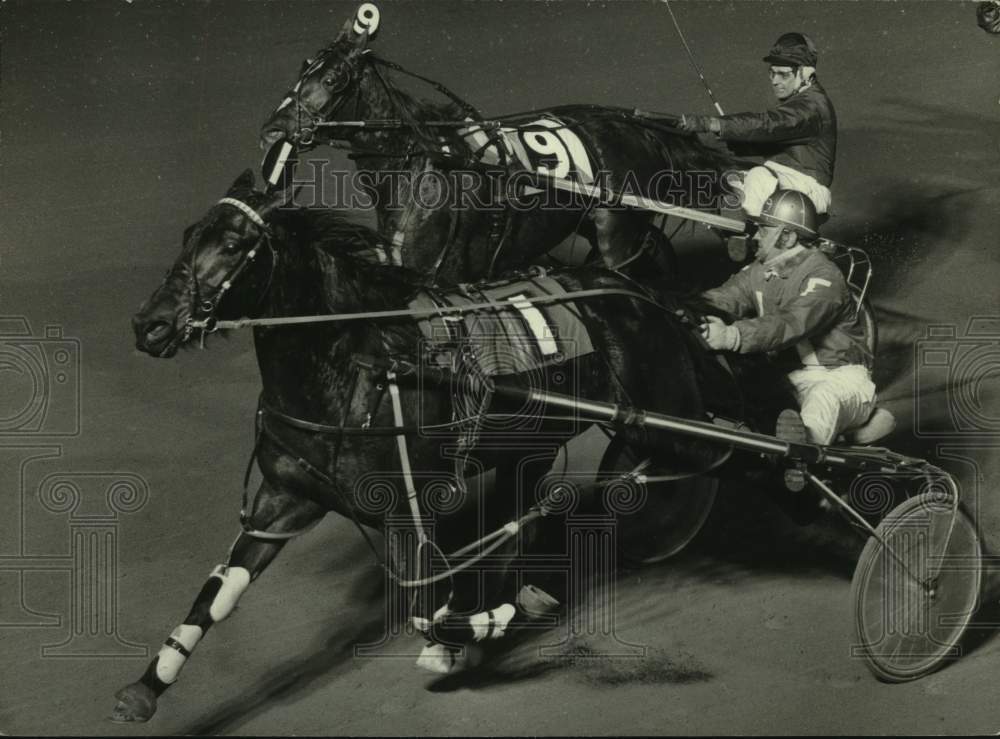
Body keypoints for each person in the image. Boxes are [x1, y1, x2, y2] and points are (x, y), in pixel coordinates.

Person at [698, 190, 875, 446]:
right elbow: (725, 297)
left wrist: (733, 335)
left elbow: (791, 322)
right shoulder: (757, 271)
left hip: (840, 380)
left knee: (824, 398)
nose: (755, 236)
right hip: (788, 380)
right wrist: (683, 307)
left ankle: (800, 457)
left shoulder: (824, 276)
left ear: (788, 236)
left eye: (764, 229)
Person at [679, 33, 837, 219]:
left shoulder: (812, 106)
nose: (774, 80)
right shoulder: (799, 101)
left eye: (783, 74)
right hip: (787, 186)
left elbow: (768, 124)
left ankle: (758, 236)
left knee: (758, 177)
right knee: (722, 174)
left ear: (805, 73)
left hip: (807, 192)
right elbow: (771, 140)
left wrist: (713, 123)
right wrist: (733, 140)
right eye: (772, 72)